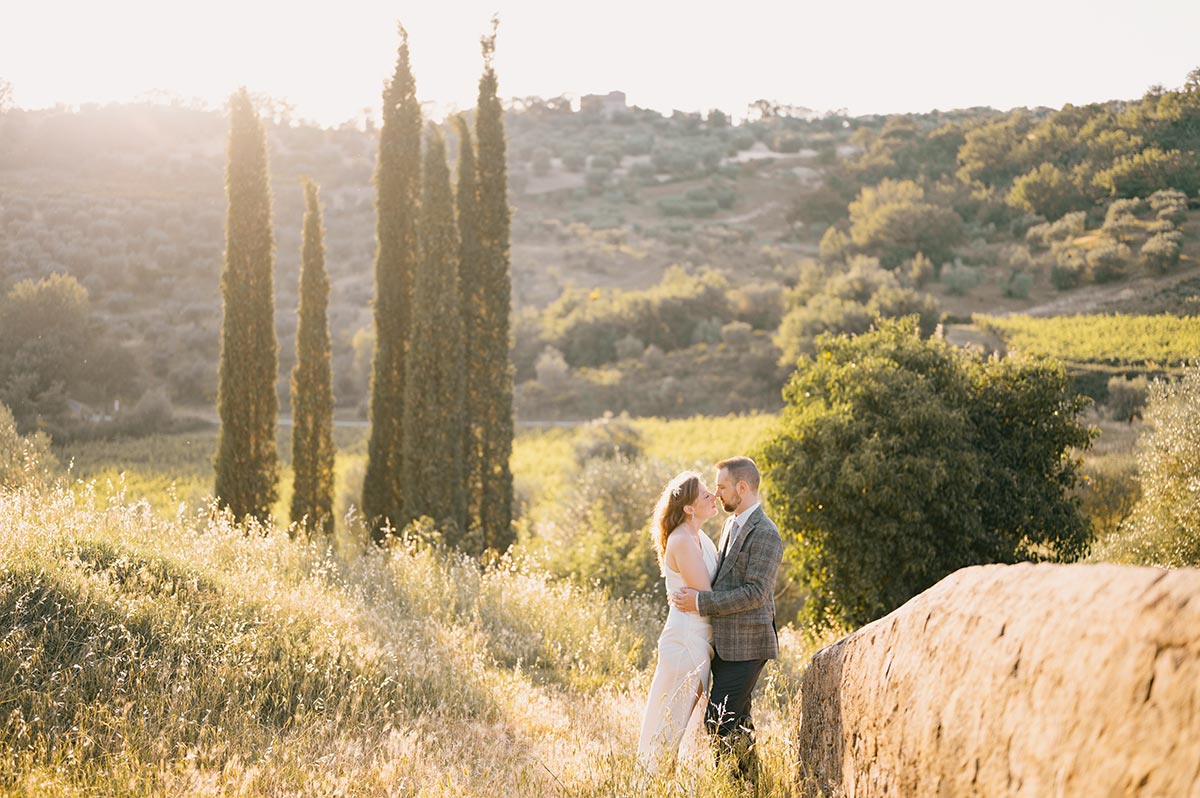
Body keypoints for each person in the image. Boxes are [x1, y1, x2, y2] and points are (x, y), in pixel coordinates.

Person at [670, 456, 783, 782]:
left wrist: (701, 603)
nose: (716, 494)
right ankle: (753, 787)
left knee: (718, 723)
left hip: (749, 644)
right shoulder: (732, 523)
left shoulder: (766, 533)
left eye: (721, 487)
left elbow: (755, 594)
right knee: (739, 722)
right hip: (727, 643)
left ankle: (734, 786)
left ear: (742, 487)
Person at [637, 471, 720, 773]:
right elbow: (707, 596)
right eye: (706, 495)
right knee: (669, 730)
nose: (714, 497)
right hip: (686, 642)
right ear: (688, 508)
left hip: (699, 641)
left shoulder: (700, 536)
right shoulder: (683, 540)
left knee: (684, 731)